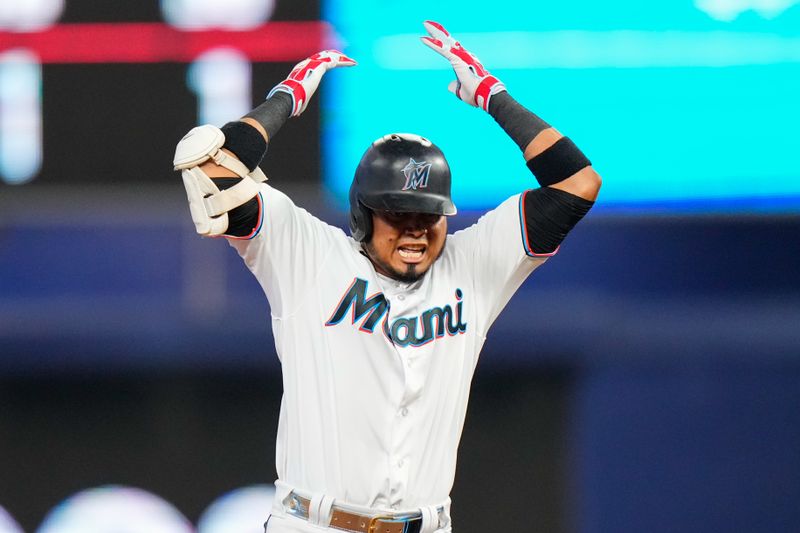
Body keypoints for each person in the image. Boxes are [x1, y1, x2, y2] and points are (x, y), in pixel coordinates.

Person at [174, 20, 601, 533]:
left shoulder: (473, 266)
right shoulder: (307, 254)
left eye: (429, 216)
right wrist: (287, 96)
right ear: (363, 213)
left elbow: (576, 183)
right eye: (398, 214)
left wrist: (493, 97)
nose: (416, 231)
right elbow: (211, 168)